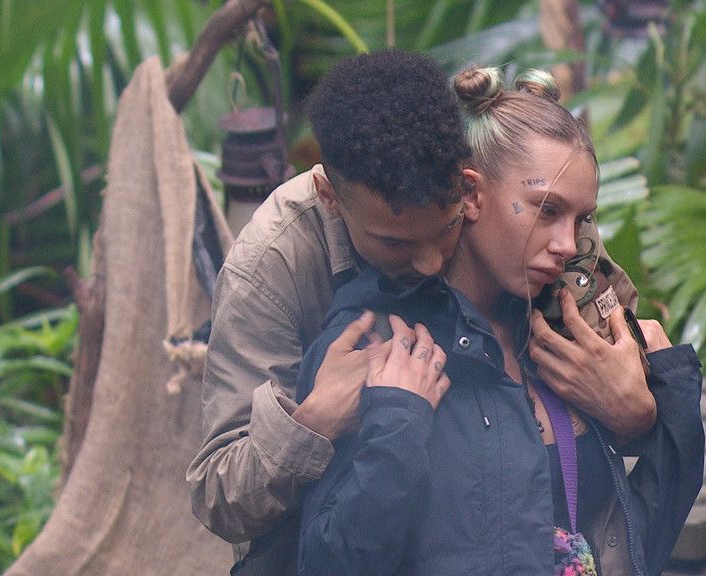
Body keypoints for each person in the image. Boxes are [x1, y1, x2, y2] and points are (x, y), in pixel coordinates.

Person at [186, 50, 655, 567]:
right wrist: (315, 420)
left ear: (469, 188)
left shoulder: (534, 205)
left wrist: (635, 408)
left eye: (447, 228)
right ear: (330, 198)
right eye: (395, 243)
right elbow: (221, 495)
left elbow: (622, 338)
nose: (431, 264)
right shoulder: (275, 261)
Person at [292, 66, 704, 576]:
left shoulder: (567, 343)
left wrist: (668, 396)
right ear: (470, 195)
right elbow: (326, 563)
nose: (567, 244)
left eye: (581, 219)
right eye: (546, 210)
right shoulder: (376, 345)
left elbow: (636, 545)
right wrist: (397, 423)